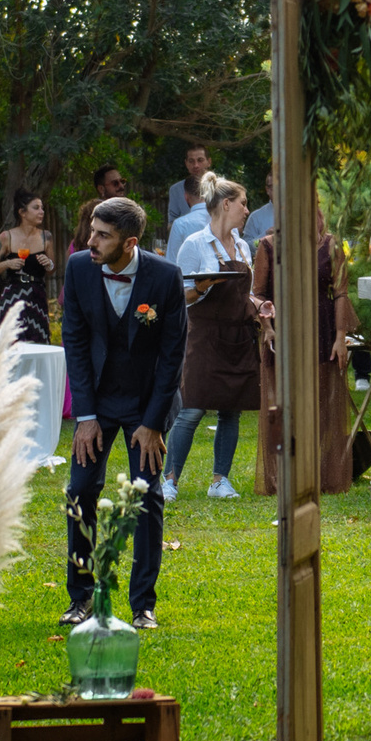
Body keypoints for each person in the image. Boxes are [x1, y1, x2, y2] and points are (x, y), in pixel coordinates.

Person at [58, 197, 186, 631]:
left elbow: (172, 357)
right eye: (92, 231)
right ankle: (81, 598)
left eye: (102, 235)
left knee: (147, 496)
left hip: (147, 403)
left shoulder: (166, 277)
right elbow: (73, 343)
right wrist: (85, 415)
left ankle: (142, 605)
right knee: (80, 492)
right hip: (96, 400)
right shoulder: (78, 268)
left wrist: (152, 423)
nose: (90, 241)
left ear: (129, 243)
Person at [251, 202, 358, 496]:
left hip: (322, 327)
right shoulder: (268, 245)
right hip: (282, 330)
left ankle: (319, 472)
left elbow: (341, 292)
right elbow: (258, 294)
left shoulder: (331, 244)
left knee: (323, 400)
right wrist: (267, 328)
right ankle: (283, 475)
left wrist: (340, 336)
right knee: (281, 403)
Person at [165, 175, 256, 501]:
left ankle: (220, 480)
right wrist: (202, 287)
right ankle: (169, 481)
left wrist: (262, 305)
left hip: (237, 336)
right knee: (192, 409)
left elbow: (246, 293)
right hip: (203, 336)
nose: (247, 210)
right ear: (226, 204)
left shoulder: (244, 247)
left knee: (231, 409)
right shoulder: (195, 244)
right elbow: (177, 295)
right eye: (243, 203)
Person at [0, 191, 56, 341]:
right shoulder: (7, 237)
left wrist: (48, 264)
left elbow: (52, 269)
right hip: (13, 294)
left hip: (37, 294)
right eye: (36, 208)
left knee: (38, 341)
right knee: (11, 342)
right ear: (22, 213)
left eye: (42, 208)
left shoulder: (46, 237)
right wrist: (8, 263)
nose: (41, 212)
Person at [70, 165, 131, 253]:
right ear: (101, 189)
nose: (121, 186)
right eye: (115, 183)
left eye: (122, 181)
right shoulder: (92, 210)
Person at [167, 144, 211, 231]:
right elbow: (171, 224)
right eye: (191, 161)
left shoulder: (221, 188)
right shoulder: (176, 190)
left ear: (209, 162)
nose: (196, 165)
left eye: (200, 160)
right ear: (186, 163)